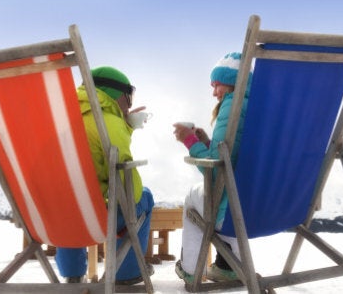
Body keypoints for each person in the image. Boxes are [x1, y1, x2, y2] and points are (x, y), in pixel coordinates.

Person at [55, 66, 155, 285]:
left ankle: (72, 274)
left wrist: (125, 126)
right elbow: (129, 191)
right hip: (94, 218)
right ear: (115, 94)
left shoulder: (59, 117)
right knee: (144, 196)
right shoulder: (110, 123)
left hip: (51, 217)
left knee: (67, 200)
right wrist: (124, 127)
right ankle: (126, 274)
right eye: (129, 98)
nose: (129, 105)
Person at [172, 52, 252, 283]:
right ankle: (227, 266)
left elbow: (216, 171)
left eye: (217, 85)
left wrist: (189, 141)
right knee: (229, 193)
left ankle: (190, 269)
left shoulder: (233, 105)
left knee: (195, 196)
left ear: (233, 82)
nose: (214, 92)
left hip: (233, 211)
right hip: (264, 206)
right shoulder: (261, 105)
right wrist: (207, 144)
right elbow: (233, 157)